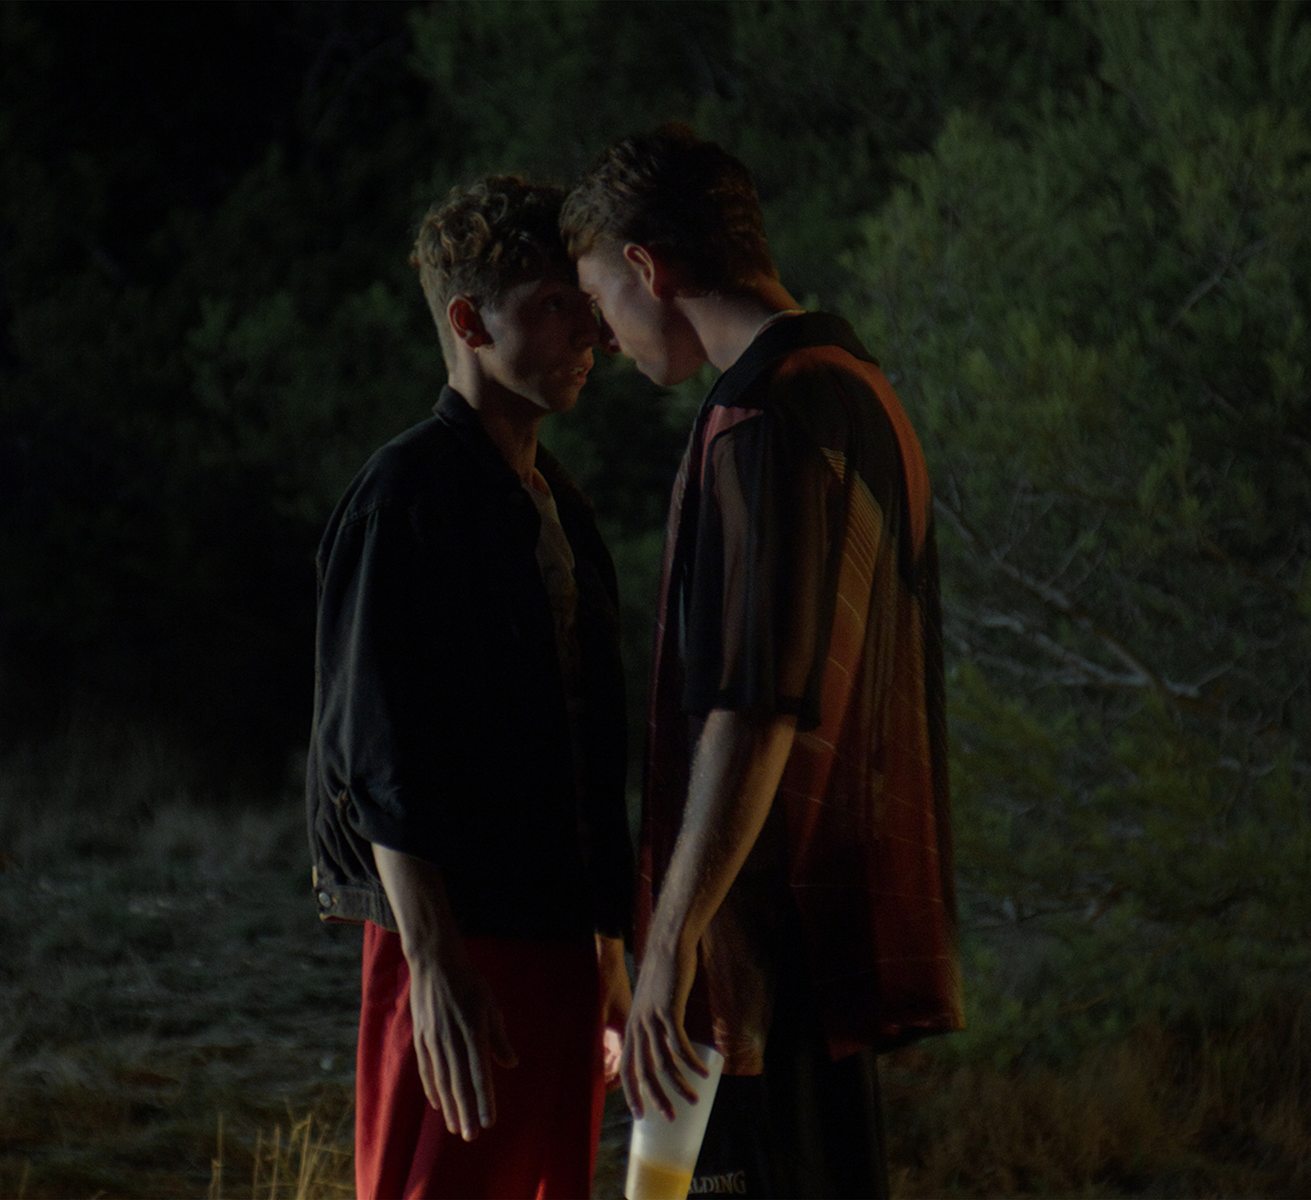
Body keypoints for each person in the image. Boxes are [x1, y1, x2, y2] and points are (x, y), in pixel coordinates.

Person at [562, 125, 963, 1198]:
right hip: (829, 939)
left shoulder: (760, 417)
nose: (603, 339)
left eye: (600, 302)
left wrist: (670, 943)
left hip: (762, 953)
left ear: (648, 267)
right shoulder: (861, 390)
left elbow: (754, 706)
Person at [304, 175, 635, 1199]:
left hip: (555, 931)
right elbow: (374, 749)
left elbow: (585, 742)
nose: (591, 333)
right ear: (468, 322)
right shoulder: (404, 496)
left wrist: (608, 948)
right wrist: (435, 962)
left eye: (586, 303)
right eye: (553, 305)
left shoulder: (558, 504)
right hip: (457, 931)